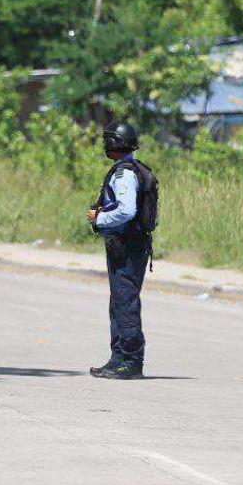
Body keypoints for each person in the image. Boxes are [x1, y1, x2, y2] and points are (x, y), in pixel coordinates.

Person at [86, 120, 158, 380]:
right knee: (119, 302)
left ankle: (130, 361)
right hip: (127, 244)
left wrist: (99, 220)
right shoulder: (129, 169)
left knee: (125, 302)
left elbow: (126, 210)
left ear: (114, 143)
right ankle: (118, 359)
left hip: (127, 244)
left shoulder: (124, 174)